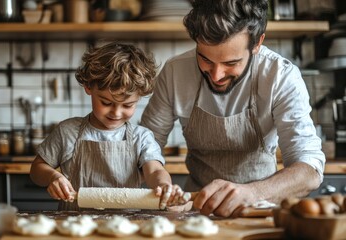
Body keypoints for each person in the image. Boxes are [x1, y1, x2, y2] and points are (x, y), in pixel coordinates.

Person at [140, 0, 326, 217]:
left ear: (257, 44)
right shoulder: (175, 72)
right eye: (205, 59)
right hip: (195, 212)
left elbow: (310, 169)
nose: (216, 75)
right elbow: (146, 146)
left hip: (259, 211)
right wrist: (160, 180)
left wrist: (253, 193)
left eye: (231, 63)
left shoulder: (280, 76)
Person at [30, 42, 186, 211]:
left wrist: (163, 185)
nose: (116, 113)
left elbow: (155, 171)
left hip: (126, 230)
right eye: (106, 102)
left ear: (139, 97)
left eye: (127, 105)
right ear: (88, 87)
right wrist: (53, 177)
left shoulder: (141, 138)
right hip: (75, 229)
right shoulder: (68, 131)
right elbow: (37, 169)